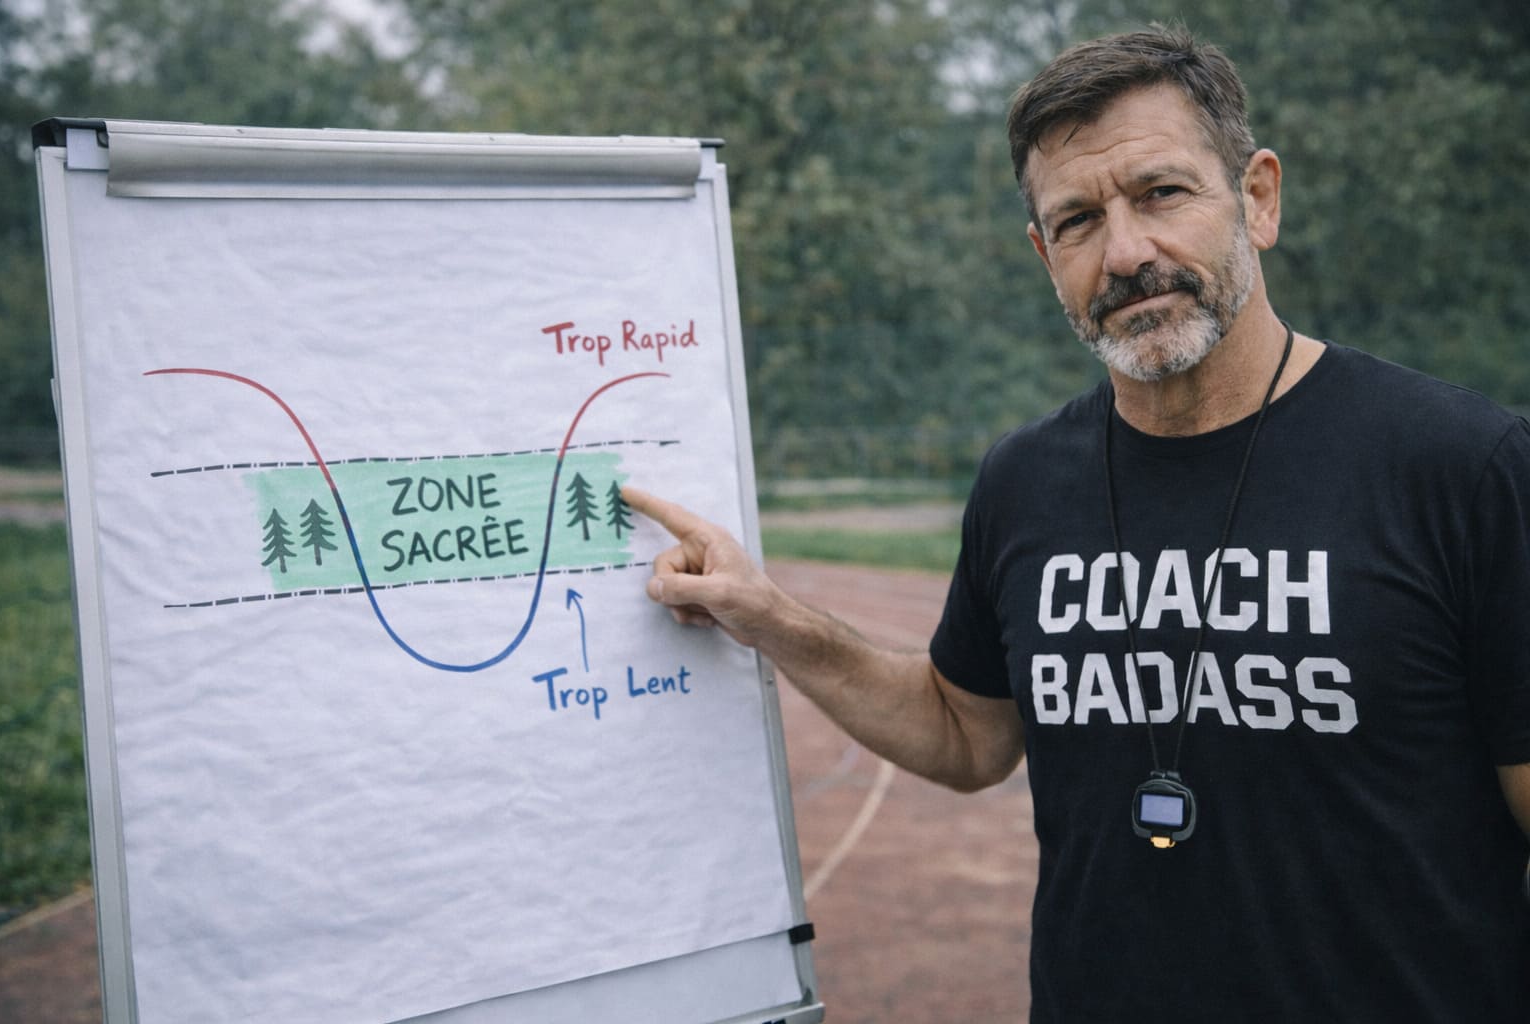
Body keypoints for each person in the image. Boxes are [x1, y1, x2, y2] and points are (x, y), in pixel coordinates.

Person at [623, 25, 1530, 1021]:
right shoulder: (1023, 481)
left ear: (1258, 198)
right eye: (1078, 221)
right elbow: (966, 733)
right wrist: (769, 616)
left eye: (1162, 193)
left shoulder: (1462, 467)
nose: (1126, 253)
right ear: (1043, 254)